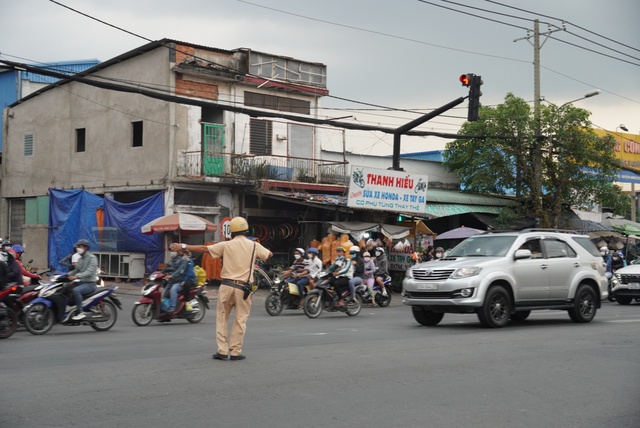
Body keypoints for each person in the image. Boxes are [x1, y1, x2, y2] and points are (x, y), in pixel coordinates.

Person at [171, 216, 272, 361]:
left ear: (231, 232)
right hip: (243, 288)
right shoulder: (254, 245)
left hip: (226, 286)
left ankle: (222, 351)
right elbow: (269, 255)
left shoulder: (226, 245)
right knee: (240, 320)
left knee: (222, 319)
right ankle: (236, 352)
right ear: (246, 230)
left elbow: (204, 249)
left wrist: (184, 246)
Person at [67, 239, 99, 320]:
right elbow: (76, 270)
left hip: (90, 284)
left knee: (76, 290)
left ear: (86, 247)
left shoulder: (92, 258)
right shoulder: (80, 259)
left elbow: (89, 271)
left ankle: (80, 312)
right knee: (66, 288)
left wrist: (76, 276)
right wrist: (65, 275)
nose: (78, 248)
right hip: (81, 283)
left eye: (80, 246)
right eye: (77, 246)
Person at [163, 248, 190, 313]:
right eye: (171, 251)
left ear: (178, 252)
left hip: (179, 282)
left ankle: (172, 308)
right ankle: (165, 307)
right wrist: (158, 273)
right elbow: (165, 269)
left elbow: (180, 271)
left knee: (173, 289)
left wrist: (172, 275)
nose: (172, 252)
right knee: (165, 293)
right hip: (171, 281)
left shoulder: (183, 261)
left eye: (174, 251)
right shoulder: (171, 261)